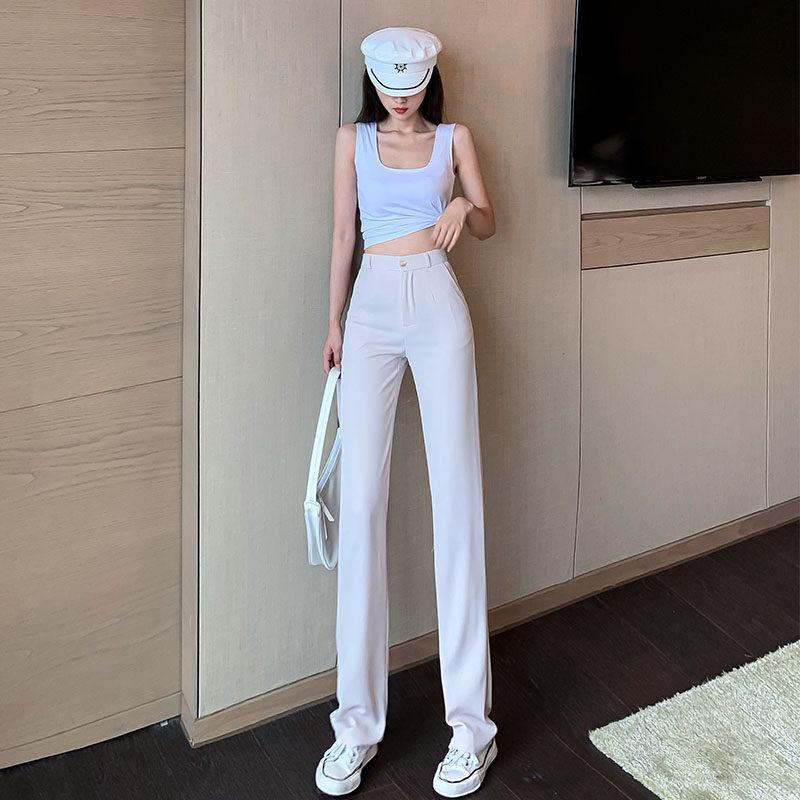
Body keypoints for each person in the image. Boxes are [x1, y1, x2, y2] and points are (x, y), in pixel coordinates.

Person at [316, 26, 498, 798]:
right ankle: (355, 727)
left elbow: (488, 219)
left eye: (412, 84)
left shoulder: (456, 139)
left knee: (457, 501)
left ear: (428, 80)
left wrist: (461, 202)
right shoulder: (351, 141)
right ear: (372, 79)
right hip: (370, 311)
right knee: (360, 507)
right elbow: (343, 233)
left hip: (439, 305)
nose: (400, 97)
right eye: (389, 84)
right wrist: (333, 323)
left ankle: (473, 730)